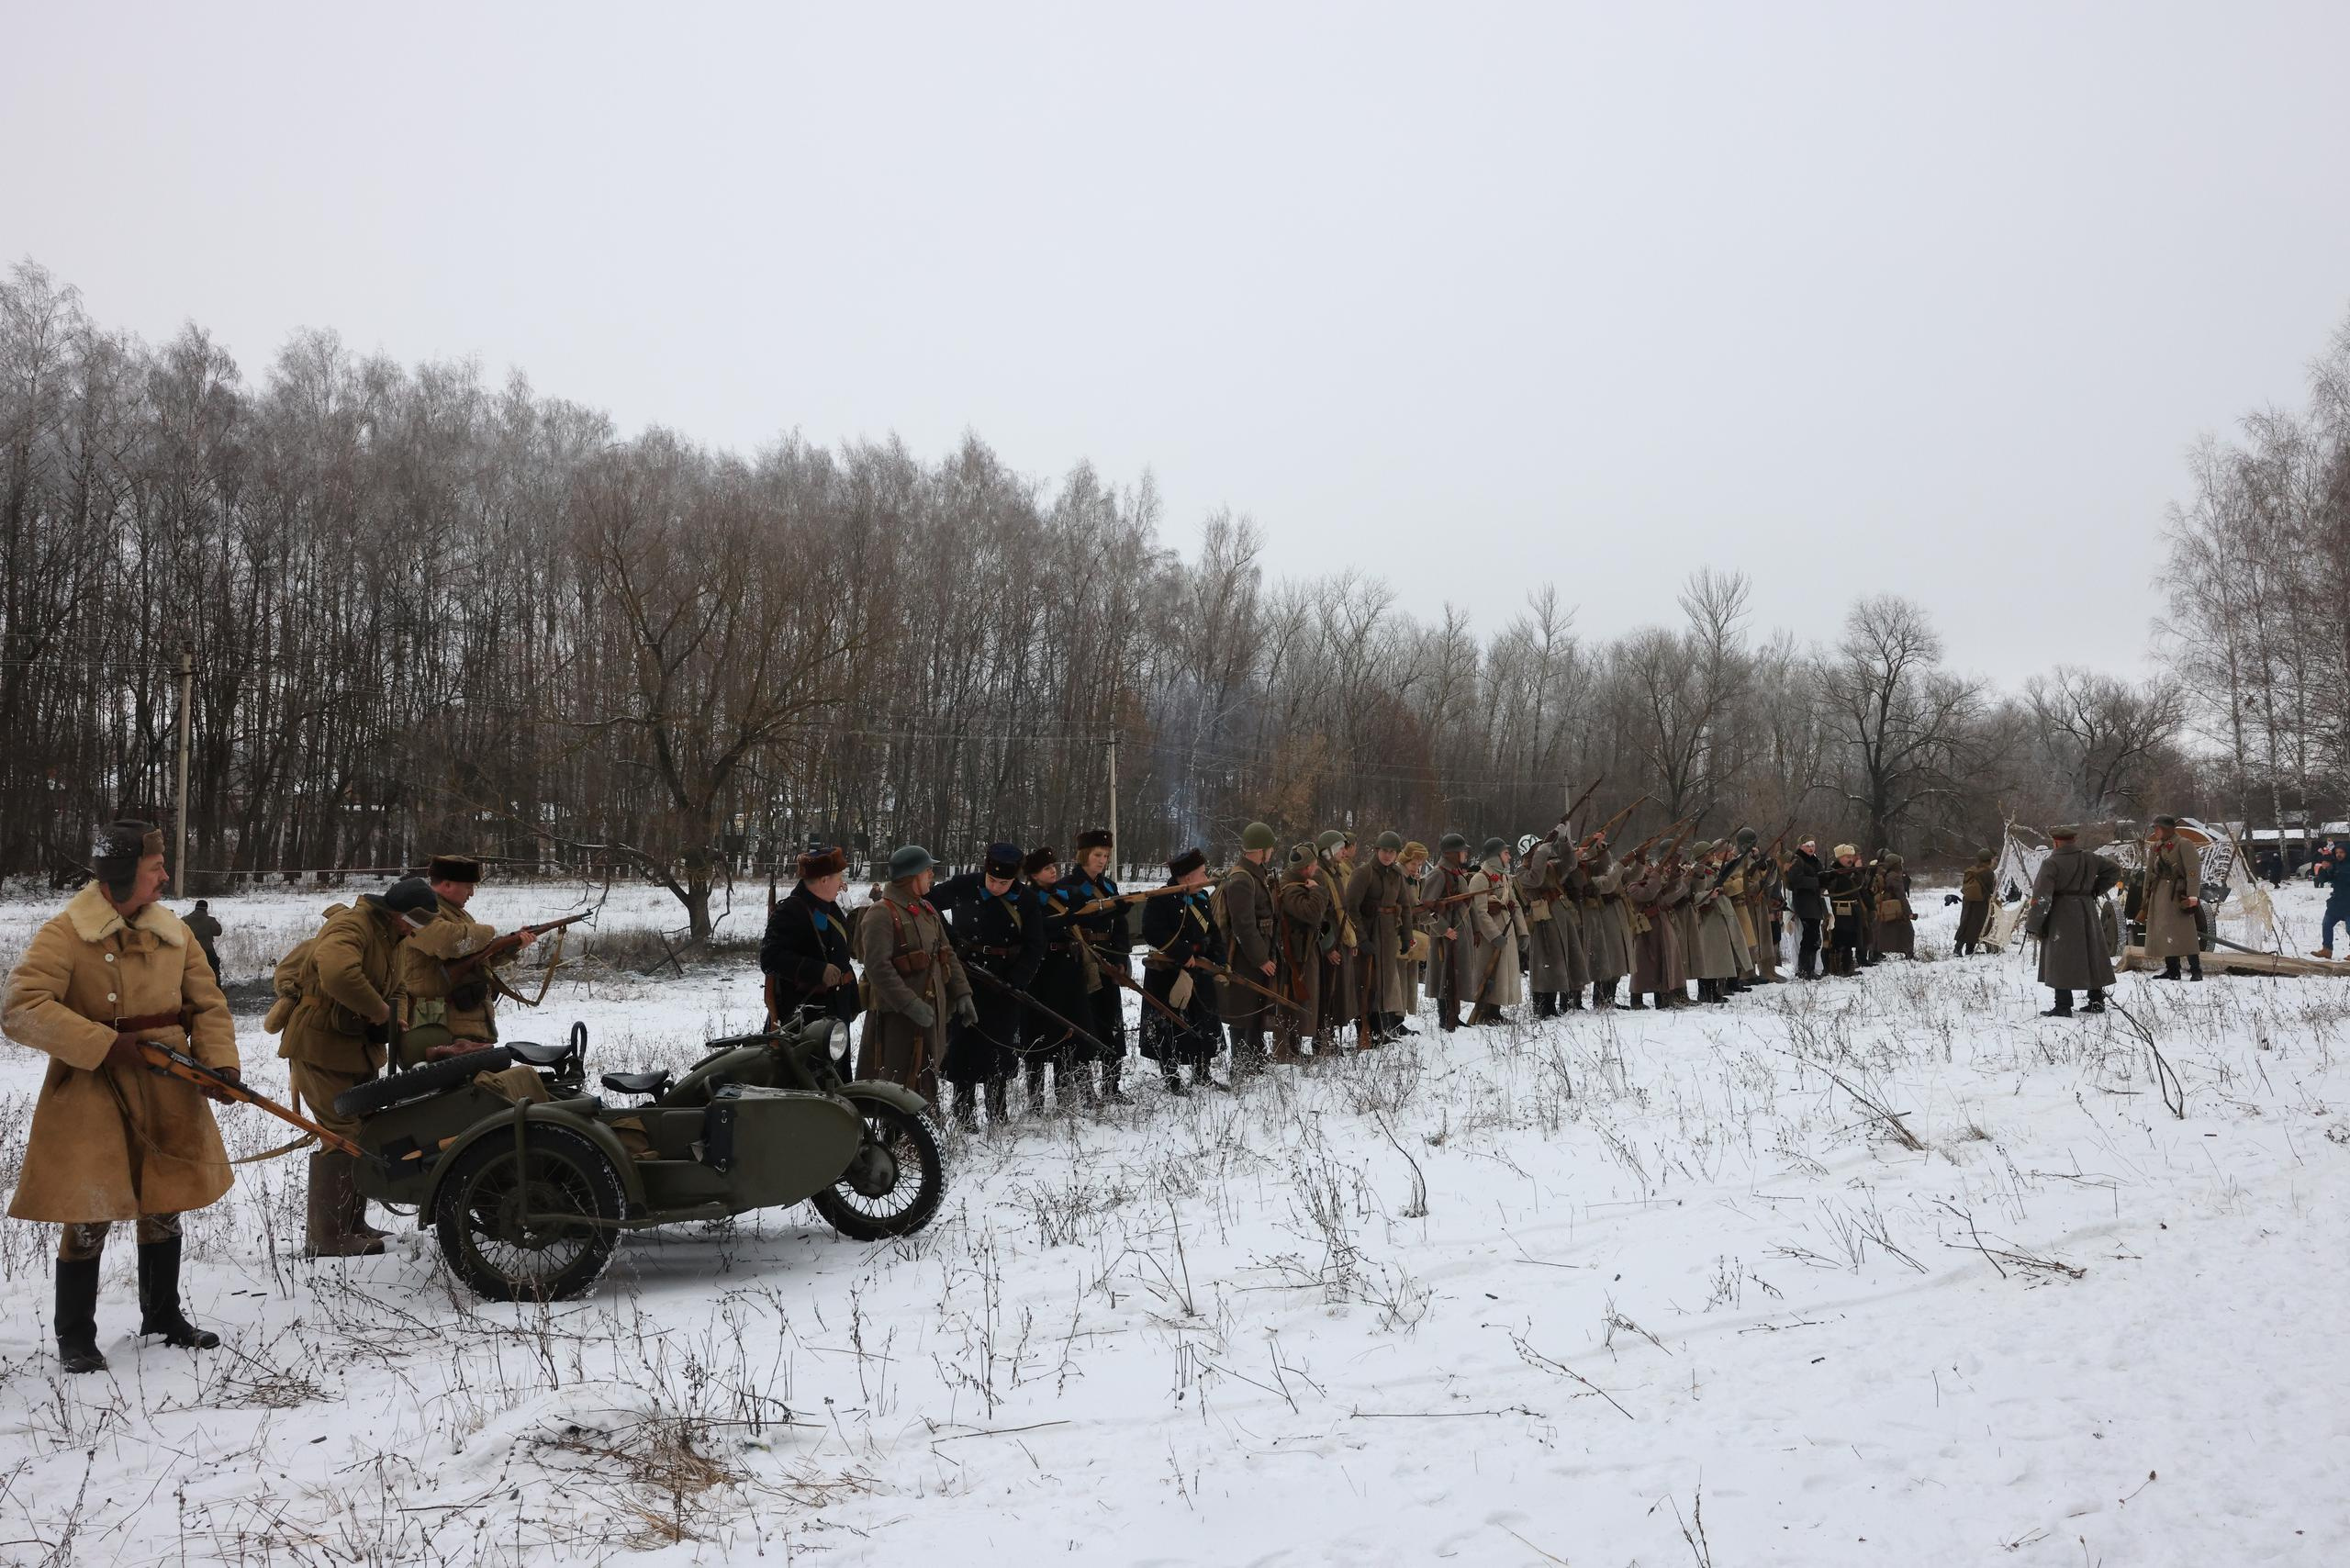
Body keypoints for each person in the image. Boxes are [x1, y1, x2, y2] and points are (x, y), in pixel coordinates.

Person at [5, 821, 240, 1373]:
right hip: (92, 1087)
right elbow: (21, 1006)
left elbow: (205, 1005)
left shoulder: (176, 934)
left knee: (165, 1202)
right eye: (155, 867)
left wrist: (220, 1064)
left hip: (169, 1084)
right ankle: (76, 1336)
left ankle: (162, 1318)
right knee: (89, 1212)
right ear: (122, 871)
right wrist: (106, 1043)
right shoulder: (64, 933)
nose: (164, 876)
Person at [281, 876, 439, 1257]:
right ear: (399, 913)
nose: (414, 932)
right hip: (321, 1046)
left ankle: (352, 1224)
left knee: (365, 1131)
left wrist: (396, 1013)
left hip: (355, 1048)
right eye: (414, 923)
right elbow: (337, 972)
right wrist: (381, 1011)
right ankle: (327, 1237)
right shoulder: (352, 925)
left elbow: (397, 984)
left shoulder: (393, 937)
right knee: (341, 1134)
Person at [853, 845, 975, 1103]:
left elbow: (947, 953)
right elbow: (877, 968)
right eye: (928, 870)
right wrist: (909, 1005)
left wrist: (963, 994)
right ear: (912, 875)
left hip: (931, 1013)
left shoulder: (928, 910)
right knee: (896, 1085)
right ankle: (895, 1139)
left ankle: (921, 1138)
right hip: (897, 1020)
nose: (932, 875)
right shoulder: (882, 913)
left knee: (925, 1078)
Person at [930, 842, 1037, 1127]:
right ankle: (963, 1113)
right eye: (992, 880)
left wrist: (1017, 979)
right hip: (965, 977)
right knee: (962, 1046)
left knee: (999, 1049)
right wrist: (951, 938)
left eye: (1004, 882)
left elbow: (1034, 945)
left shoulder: (1025, 900)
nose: (997, 886)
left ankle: (997, 1111)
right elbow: (926, 904)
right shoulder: (964, 885)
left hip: (1003, 983)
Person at [396, 854, 537, 1063]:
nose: (471, 893)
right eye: (468, 886)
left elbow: (476, 959)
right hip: (439, 1026)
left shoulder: (456, 913)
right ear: (447, 884)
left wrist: (511, 945)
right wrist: (490, 932)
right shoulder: (422, 911)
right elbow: (448, 943)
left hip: (465, 1022)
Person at [1140, 847, 1224, 1092]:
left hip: (1199, 967)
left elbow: (1213, 931)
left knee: (1204, 1020)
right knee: (1170, 1025)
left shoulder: (1201, 897)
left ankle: (1202, 1071)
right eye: (1202, 873)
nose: (1206, 877)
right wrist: (1182, 953)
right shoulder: (1161, 897)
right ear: (1187, 877)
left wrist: (1219, 957)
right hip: (1169, 971)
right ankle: (1172, 1077)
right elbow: (1152, 931)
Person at [1063, 829, 1131, 1103]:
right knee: (1085, 1024)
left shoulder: (1110, 887)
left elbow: (1120, 926)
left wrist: (1121, 958)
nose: (1102, 860)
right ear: (1083, 855)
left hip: (1109, 959)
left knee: (1111, 1024)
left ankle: (1112, 1087)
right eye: (1097, 855)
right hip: (1082, 961)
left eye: (1106, 855)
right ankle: (1086, 1090)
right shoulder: (1068, 887)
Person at [759, 846, 862, 1025]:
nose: (841, 884)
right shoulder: (791, 911)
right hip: (805, 1019)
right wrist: (817, 970)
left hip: (834, 1014)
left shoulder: (828, 907)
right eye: (839, 878)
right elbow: (770, 957)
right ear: (824, 880)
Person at [2026, 826, 2121, 1015]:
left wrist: (2033, 924)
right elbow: (2114, 870)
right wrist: (2094, 890)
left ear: (2056, 842)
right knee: (2091, 952)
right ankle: (2096, 1001)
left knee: (2061, 957)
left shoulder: (2051, 863)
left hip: (2062, 912)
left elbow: (2042, 897)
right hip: (2087, 909)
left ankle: (2063, 1006)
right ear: (2073, 840)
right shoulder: (2090, 857)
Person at [1216, 823, 1281, 1073]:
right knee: (1242, 1009)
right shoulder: (1242, 879)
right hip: (1246, 956)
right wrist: (1260, 958)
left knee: (1257, 1005)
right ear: (1261, 849)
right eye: (1270, 848)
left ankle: (1255, 1056)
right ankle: (1242, 1063)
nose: (1272, 852)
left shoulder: (1255, 873)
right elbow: (1243, 925)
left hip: (1259, 951)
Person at [1344, 831, 1418, 1040]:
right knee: (1366, 983)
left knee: (1383, 983)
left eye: (1392, 851)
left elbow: (1405, 907)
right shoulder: (1364, 872)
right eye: (1384, 850)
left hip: (1387, 934)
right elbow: (1351, 907)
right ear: (1376, 850)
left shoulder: (1396, 875)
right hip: (1368, 932)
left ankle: (1378, 1030)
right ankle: (1366, 1031)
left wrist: (1406, 936)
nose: (1388, 855)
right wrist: (1361, 938)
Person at [2143, 817, 2204, 980]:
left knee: (2186, 932)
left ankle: (2196, 970)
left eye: (2158, 828)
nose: (2155, 832)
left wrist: (2193, 895)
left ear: (2168, 829)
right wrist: (2146, 895)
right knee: (2165, 931)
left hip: (2178, 893)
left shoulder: (2184, 844)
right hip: (2160, 893)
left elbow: (2193, 870)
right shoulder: (2155, 847)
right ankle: (2172, 969)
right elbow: (2149, 872)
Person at [1821, 846, 1869, 977]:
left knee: (1850, 940)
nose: (1850, 859)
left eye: (1852, 857)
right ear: (1840, 857)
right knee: (1839, 940)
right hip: (1839, 911)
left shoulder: (1851, 871)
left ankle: (1848, 968)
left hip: (1852, 910)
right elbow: (1827, 887)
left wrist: (1858, 871)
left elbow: (1861, 885)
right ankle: (1836, 968)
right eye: (1848, 857)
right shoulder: (1832, 872)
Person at [1784, 839, 1827, 979]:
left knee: (1814, 937)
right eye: (1807, 846)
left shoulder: (1814, 860)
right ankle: (1804, 970)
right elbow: (1794, 880)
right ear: (1801, 847)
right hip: (1804, 903)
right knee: (1808, 938)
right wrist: (1815, 882)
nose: (1810, 848)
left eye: (1813, 845)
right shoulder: (1798, 860)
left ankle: (1810, 970)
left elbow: (1821, 876)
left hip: (1814, 903)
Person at [1873, 853, 1916, 959]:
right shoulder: (1895, 876)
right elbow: (1901, 896)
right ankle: (1909, 953)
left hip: (1888, 906)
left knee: (1882, 930)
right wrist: (1908, 912)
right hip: (1895, 907)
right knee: (1908, 931)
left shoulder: (1887, 874)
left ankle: (1875, 953)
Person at [1954, 849, 1995, 955]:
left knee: (1966, 924)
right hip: (1981, 903)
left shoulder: (1971, 870)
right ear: (1989, 860)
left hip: (1968, 902)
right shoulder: (1988, 872)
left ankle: (1962, 949)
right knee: (1985, 925)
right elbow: (1992, 889)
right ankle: (1990, 948)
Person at [2315, 843, 2350, 959]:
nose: (2339, 855)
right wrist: (2324, 869)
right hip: (2336, 902)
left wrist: (2336, 872)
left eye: (2341, 853)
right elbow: (2324, 879)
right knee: (2327, 924)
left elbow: (2345, 878)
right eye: (2337, 853)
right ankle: (2327, 949)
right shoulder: (2334, 865)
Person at [183, 899, 224, 980]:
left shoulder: (184, 920)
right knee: (214, 971)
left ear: (195, 908)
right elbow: (218, 932)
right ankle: (216, 990)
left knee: (187, 973)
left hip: (189, 951)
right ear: (206, 908)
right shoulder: (210, 920)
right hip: (207, 950)